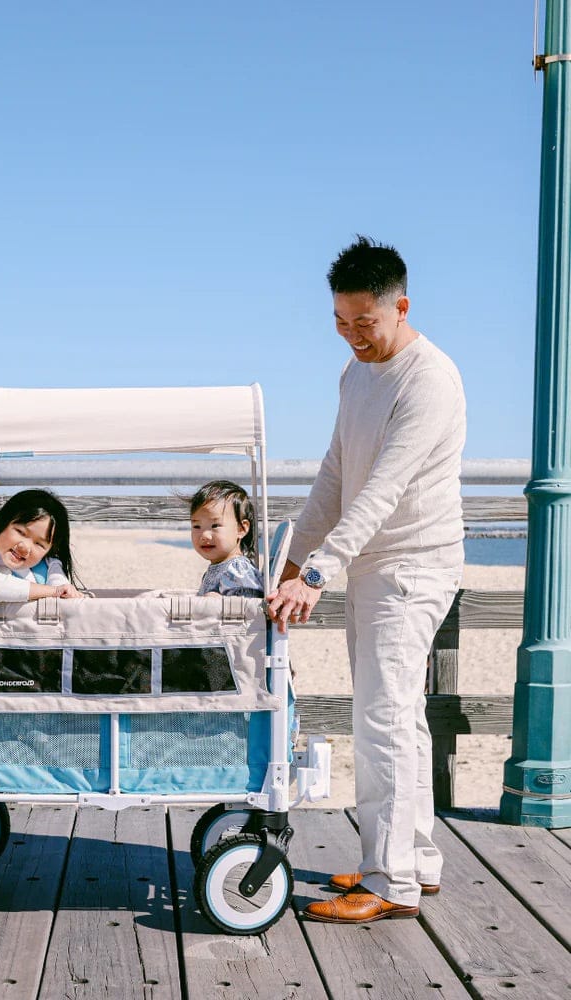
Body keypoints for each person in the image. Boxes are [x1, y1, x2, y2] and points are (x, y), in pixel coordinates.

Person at [266, 236, 465, 924]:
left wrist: (318, 573)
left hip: (413, 565)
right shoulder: (355, 374)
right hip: (371, 565)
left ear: (400, 307)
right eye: (340, 322)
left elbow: (382, 489)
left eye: (365, 322)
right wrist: (291, 559)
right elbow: (336, 474)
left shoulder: (428, 380)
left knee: (382, 720)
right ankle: (415, 862)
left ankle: (389, 882)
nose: (352, 335)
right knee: (400, 715)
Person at [0, 488, 85, 603]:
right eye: (21, 532)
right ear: (2, 523)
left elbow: (63, 592)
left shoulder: (50, 565)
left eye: (39, 544)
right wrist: (54, 591)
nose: (24, 547)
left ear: (50, 550)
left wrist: (61, 591)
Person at [189, 479, 264, 597]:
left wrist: (218, 601)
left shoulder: (238, 569)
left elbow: (249, 603)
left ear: (241, 529)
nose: (204, 535)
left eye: (215, 526)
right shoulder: (220, 567)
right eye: (197, 526)